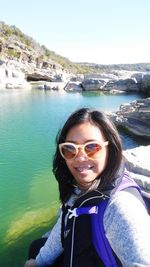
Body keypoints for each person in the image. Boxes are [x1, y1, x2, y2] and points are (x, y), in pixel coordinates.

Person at [24, 107, 150, 267]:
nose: (81, 157)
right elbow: (65, 222)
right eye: (70, 149)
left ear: (109, 149)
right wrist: (38, 262)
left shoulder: (120, 206)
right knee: (35, 247)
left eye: (92, 147)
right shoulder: (78, 187)